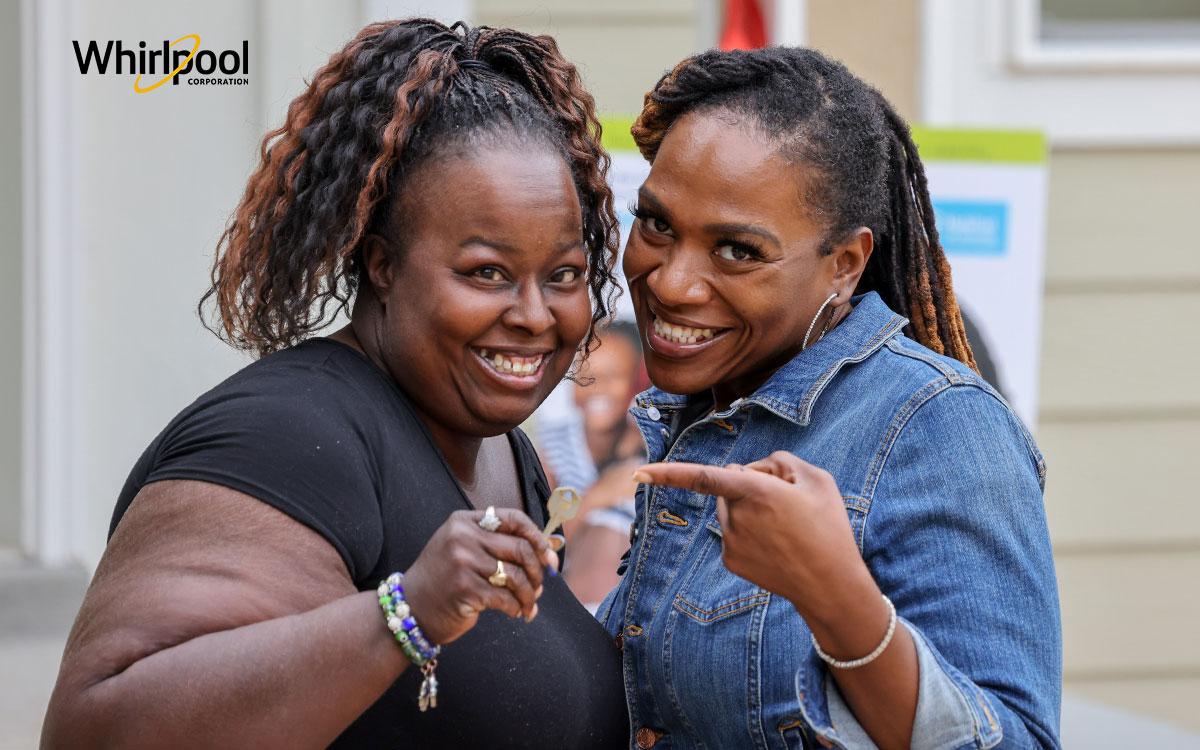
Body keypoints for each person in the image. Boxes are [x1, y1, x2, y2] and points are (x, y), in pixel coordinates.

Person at [42, 20, 629, 749]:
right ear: (381, 265)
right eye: (486, 272)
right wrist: (404, 615)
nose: (536, 315)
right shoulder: (286, 435)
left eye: (564, 275)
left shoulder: (505, 453)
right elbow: (98, 728)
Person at [598, 47, 1061, 749]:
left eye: (737, 251)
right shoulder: (699, 410)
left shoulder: (938, 425)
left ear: (844, 265)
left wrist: (837, 598)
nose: (671, 283)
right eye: (657, 224)